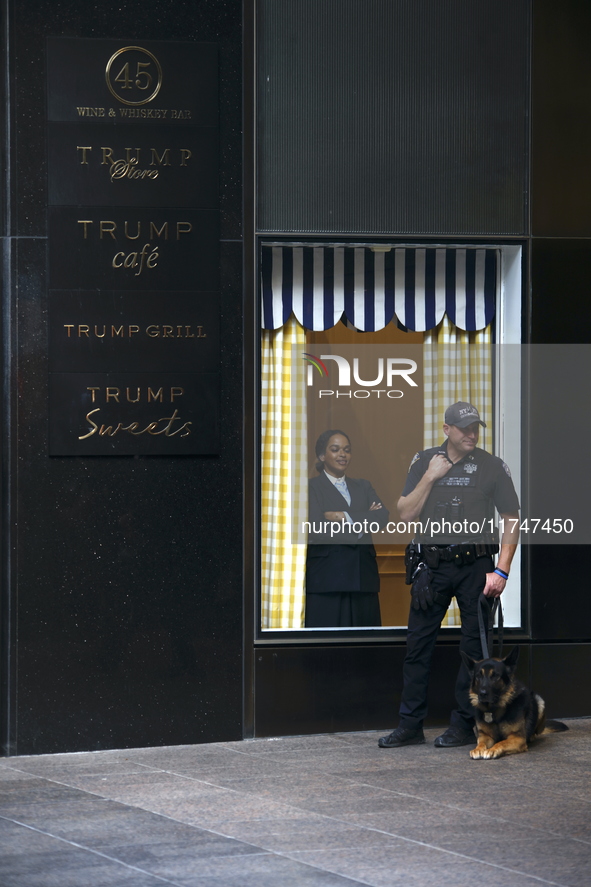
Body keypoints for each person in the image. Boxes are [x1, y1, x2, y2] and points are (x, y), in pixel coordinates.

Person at [378, 401, 520, 748]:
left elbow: (512, 519)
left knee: (473, 650)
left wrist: (501, 569)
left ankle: (461, 725)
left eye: (475, 428)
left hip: (476, 567)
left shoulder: (492, 466)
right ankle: (410, 725)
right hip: (433, 568)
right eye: (464, 428)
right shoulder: (424, 461)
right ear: (446, 430)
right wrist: (430, 476)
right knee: (417, 648)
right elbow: (405, 514)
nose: (471, 434)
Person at [305, 430, 389, 628]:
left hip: (363, 576)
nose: (342, 454)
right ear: (322, 455)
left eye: (347, 450)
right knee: (327, 649)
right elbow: (317, 528)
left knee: (365, 647)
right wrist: (362, 524)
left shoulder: (363, 486)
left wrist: (343, 516)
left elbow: (382, 516)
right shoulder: (311, 487)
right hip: (328, 579)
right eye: (335, 450)